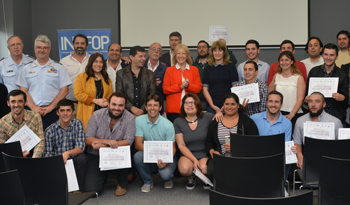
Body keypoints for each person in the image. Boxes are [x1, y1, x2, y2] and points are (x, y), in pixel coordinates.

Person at [84, 92, 135, 195]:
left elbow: (128, 141)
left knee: (126, 151)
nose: (117, 108)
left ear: (125, 106)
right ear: (108, 103)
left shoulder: (130, 118)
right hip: (96, 155)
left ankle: (121, 183)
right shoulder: (96, 115)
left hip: (118, 154)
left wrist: (102, 146)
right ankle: (103, 175)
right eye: (114, 104)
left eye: (121, 105)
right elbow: (88, 139)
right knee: (92, 191)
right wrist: (105, 141)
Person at [16, 35, 71, 130]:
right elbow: (23, 90)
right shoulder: (26, 68)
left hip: (54, 111)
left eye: (45, 47)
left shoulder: (59, 67)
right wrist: (33, 107)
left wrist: (50, 107)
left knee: (54, 141)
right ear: (35, 49)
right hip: (32, 112)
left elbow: (65, 90)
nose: (42, 50)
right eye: (39, 47)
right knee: (32, 141)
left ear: (49, 49)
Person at [205, 93, 259, 180]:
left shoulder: (247, 122)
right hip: (220, 156)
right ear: (223, 105)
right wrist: (212, 152)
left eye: (233, 104)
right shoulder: (216, 121)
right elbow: (209, 141)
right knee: (210, 169)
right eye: (227, 104)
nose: (229, 107)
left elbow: (254, 143)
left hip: (241, 157)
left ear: (238, 105)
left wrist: (237, 148)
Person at [133, 95, 177, 192]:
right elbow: (138, 145)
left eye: (155, 105)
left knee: (166, 174)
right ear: (145, 107)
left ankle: (168, 179)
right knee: (137, 156)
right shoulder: (139, 120)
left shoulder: (168, 124)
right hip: (149, 155)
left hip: (166, 156)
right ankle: (148, 181)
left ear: (160, 108)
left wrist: (166, 162)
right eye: (149, 105)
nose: (152, 108)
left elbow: (173, 148)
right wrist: (155, 151)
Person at [250, 91, 295, 182]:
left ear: (281, 105)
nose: (273, 105)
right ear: (266, 103)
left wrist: (291, 150)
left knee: (287, 160)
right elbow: (249, 143)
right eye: (270, 101)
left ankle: (279, 187)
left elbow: (285, 145)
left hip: (276, 159)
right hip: (258, 158)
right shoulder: (254, 118)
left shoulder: (287, 123)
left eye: (277, 102)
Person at [44, 99, 87, 191]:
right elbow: (48, 154)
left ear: (73, 112)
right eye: (62, 110)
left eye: (68, 110)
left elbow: (80, 148)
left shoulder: (78, 124)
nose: (65, 113)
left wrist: (67, 153)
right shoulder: (49, 130)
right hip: (57, 161)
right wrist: (57, 162)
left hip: (73, 158)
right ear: (57, 112)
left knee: (82, 158)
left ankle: (77, 189)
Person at [293, 92, 343, 169]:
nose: (313, 104)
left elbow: (341, 146)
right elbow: (297, 142)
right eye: (310, 101)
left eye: (317, 101)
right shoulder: (300, 120)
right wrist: (299, 156)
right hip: (308, 159)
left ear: (324, 104)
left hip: (329, 161)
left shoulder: (335, 122)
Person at [174, 93, 214, 190]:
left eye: (193, 102)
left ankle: (205, 177)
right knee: (184, 169)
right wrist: (194, 160)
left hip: (204, 153)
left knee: (204, 168)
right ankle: (191, 177)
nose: (190, 105)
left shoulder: (208, 117)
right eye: (186, 103)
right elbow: (181, 145)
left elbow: (222, 117)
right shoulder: (178, 121)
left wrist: (219, 112)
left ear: (198, 105)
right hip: (188, 154)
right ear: (183, 106)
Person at [306, 43, 349, 123]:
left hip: (335, 116)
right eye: (326, 54)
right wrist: (307, 98)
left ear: (336, 57)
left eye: (332, 55)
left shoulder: (342, 74)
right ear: (322, 55)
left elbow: (347, 99)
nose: (328, 58)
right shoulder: (314, 71)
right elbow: (306, 93)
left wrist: (342, 98)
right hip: (315, 116)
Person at [193, 40, 238, 110]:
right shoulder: (208, 68)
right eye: (215, 51)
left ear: (224, 52)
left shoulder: (231, 67)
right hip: (211, 106)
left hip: (229, 106)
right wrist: (212, 106)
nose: (217, 53)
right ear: (212, 52)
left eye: (220, 50)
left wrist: (227, 104)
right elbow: (205, 90)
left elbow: (235, 88)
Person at [163, 44, 202, 122]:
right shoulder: (169, 70)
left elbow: (198, 88)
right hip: (173, 110)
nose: (181, 56)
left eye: (183, 53)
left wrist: (188, 85)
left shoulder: (194, 70)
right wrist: (180, 86)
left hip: (191, 108)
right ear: (175, 56)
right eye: (178, 53)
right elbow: (165, 89)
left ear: (187, 56)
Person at [0, 90, 44, 158]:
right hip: (13, 157)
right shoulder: (2, 122)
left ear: (26, 102)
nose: (16, 104)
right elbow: (2, 148)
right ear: (8, 103)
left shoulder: (35, 117)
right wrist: (18, 156)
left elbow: (41, 141)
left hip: (33, 155)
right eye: (13, 101)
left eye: (20, 101)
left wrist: (34, 159)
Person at [74, 53, 113, 130]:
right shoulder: (81, 77)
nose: (98, 64)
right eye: (96, 61)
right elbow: (78, 94)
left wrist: (106, 101)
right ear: (91, 63)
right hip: (87, 114)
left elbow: (110, 95)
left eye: (101, 62)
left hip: (103, 115)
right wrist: (95, 101)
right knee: (88, 138)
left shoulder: (107, 79)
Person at [116, 46, 156, 118]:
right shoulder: (121, 73)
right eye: (140, 56)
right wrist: (131, 108)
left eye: (144, 56)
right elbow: (120, 94)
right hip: (125, 114)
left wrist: (142, 110)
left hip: (145, 114)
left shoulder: (150, 74)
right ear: (132, 57)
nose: (144, 59)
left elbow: (152, 95)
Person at [269, 51, 306, 129]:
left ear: (292, 62)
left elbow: (300, 99)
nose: (284, 62)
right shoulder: (276, 76)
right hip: (277, 114)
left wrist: (291, 114)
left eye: (287, 60)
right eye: (282, 60)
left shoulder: (299, 78)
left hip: (294, 114)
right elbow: (270, 93)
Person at [60, 33, 90, 107]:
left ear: (86, 46)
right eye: (77, 43)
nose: (79, 46)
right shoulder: (64, 62)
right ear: (73, 45)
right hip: (70, 104)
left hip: (89, 103)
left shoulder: (93, 60)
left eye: (82, 43)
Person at [144, 42, 168, 115]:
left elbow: (165, 87)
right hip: (142, 104)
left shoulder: (165, 69)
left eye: (159, 50)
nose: (156, 51)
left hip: (158, 105)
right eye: (153, 49)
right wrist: (152, 83)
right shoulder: (141, 66)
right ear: (149, 52)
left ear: (161, 54)